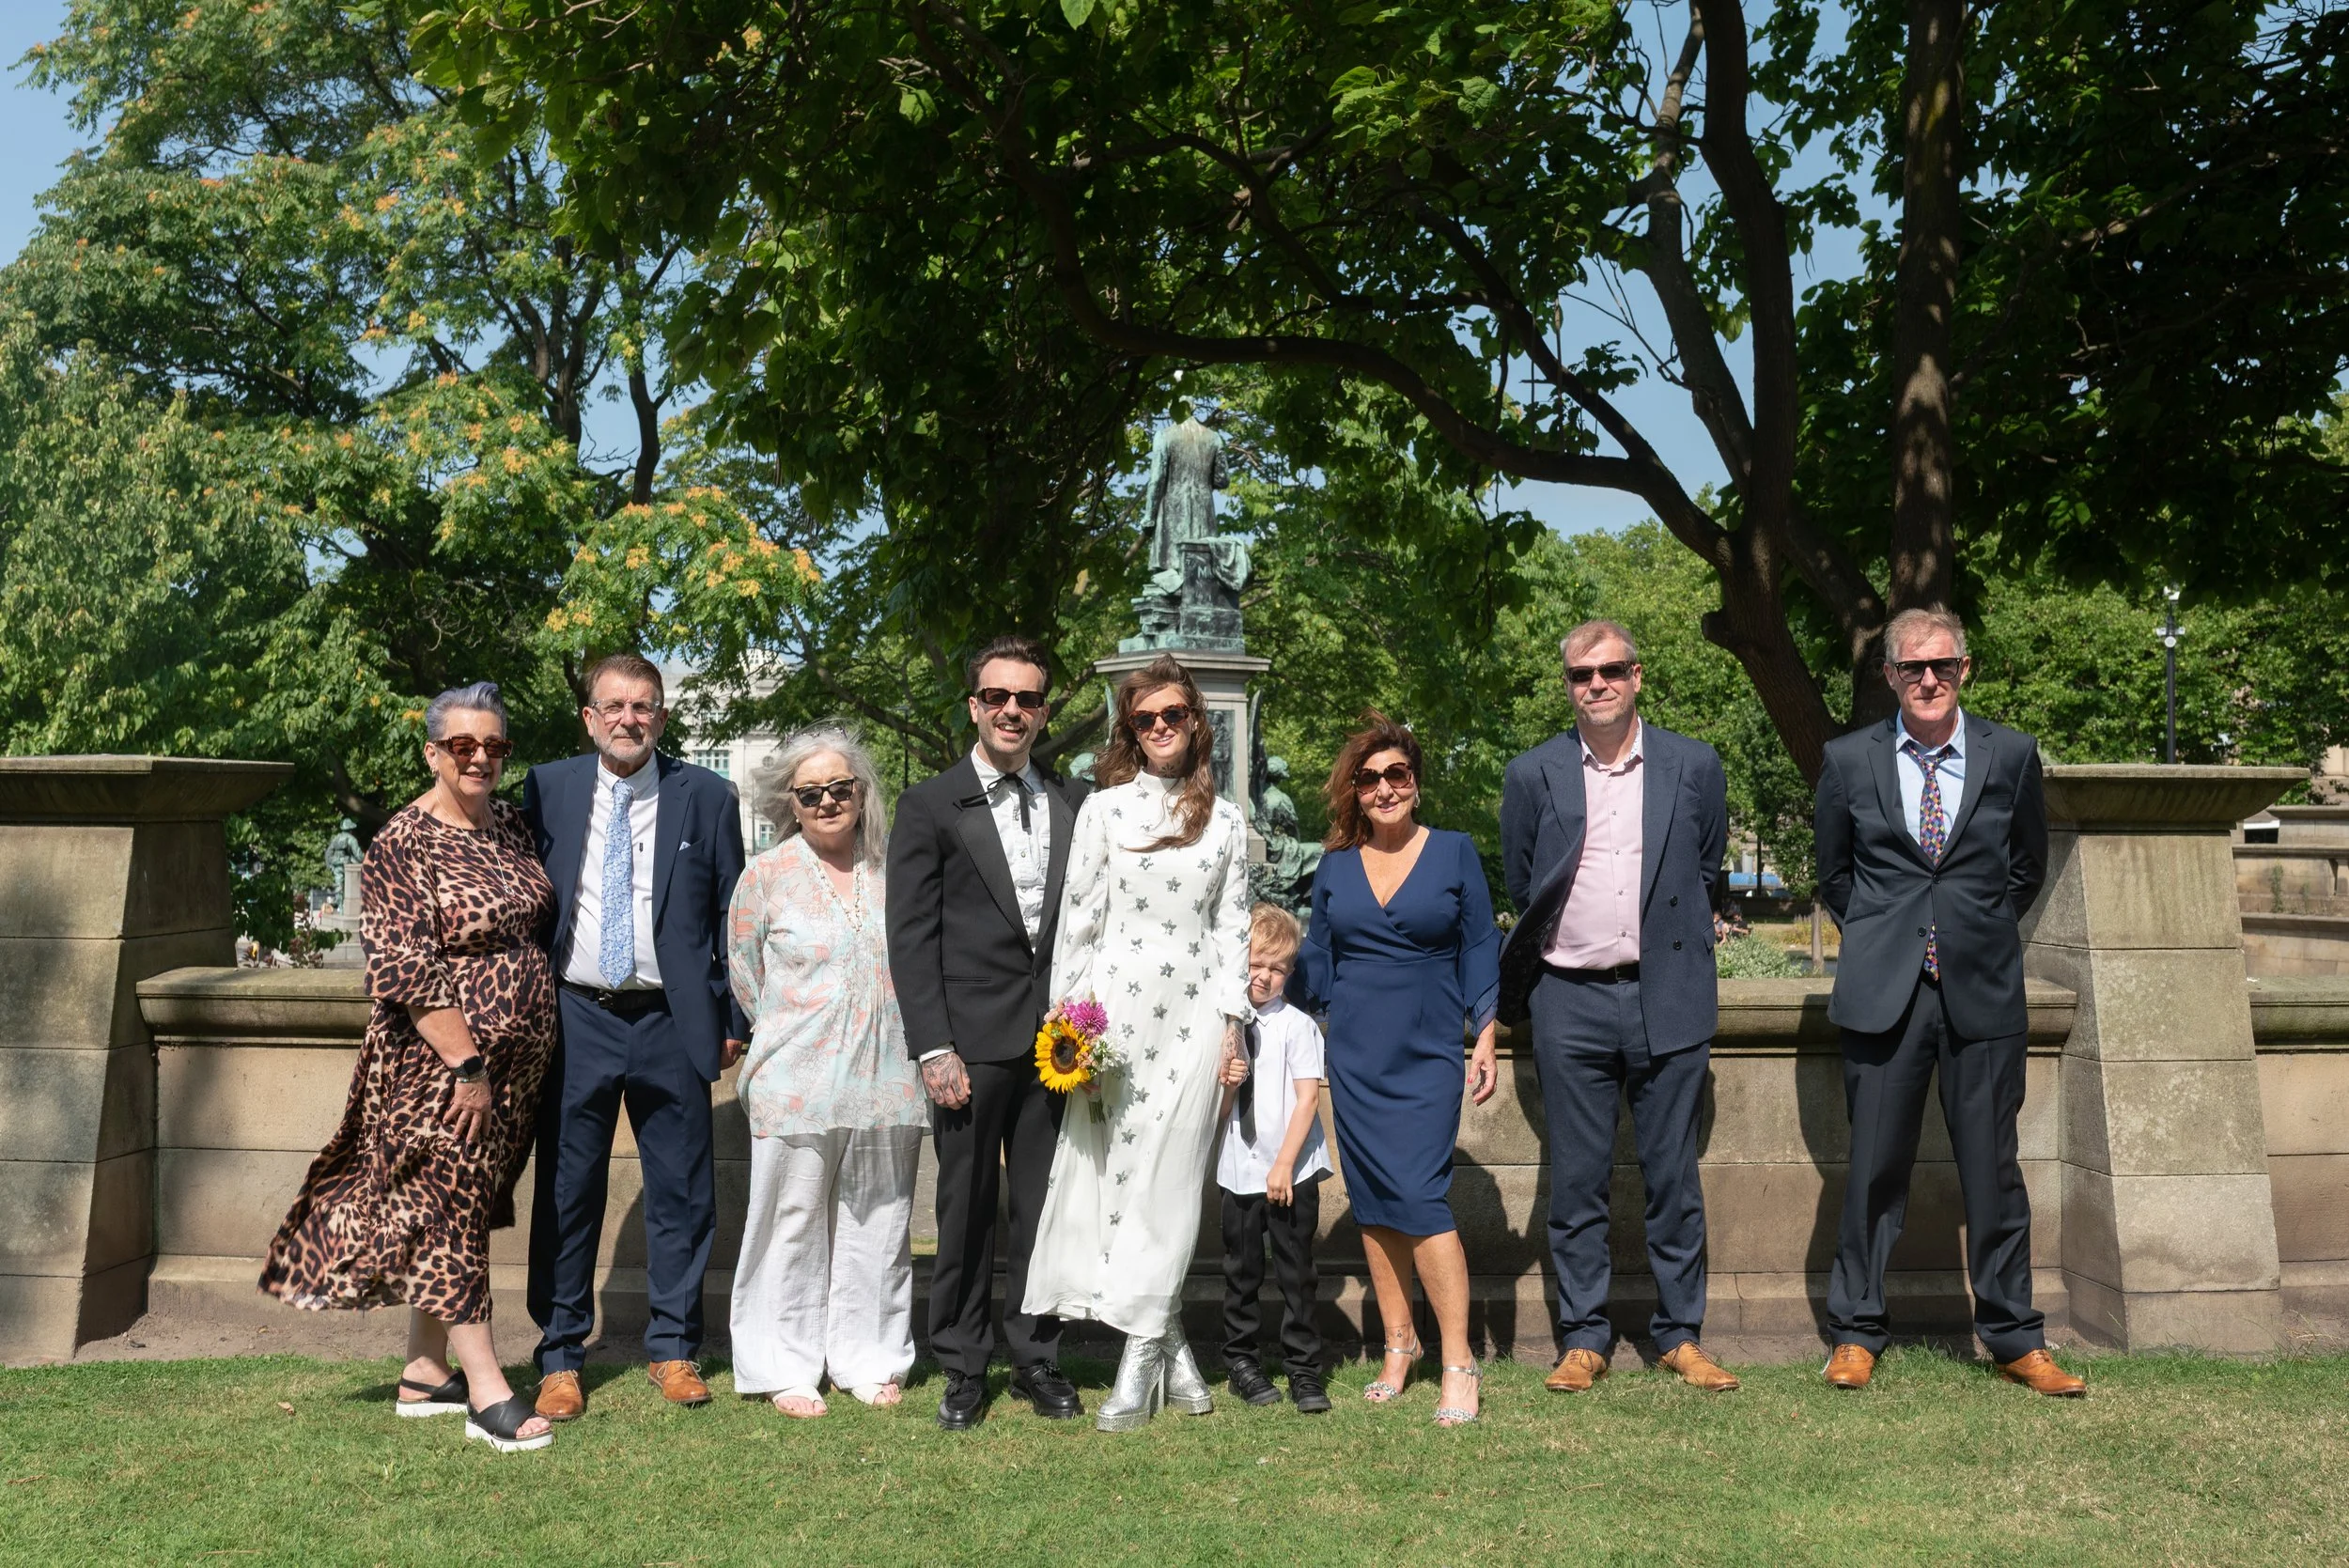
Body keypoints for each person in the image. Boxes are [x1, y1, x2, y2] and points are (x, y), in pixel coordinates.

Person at [259, 682, 559, 1453]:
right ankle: (487, 1388)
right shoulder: (403, 841)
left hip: (513, 1071)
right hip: (440, 1067)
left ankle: (425, 1373)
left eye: (496, 746)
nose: (482, 758)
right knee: (450, 1211)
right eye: (464, 745)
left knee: (455, 1207)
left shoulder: (513, 829)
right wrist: (466, 1064)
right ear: (433, 752)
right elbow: (405, 966)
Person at [1813, 607, 2083, 1396]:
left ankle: (2013, 1337)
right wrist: (1883, 938)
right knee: (1871, 1172)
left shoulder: (2013, 755)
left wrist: (1975, 930)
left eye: (1943, 665)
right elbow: (1837, 875)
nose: (1927, 679)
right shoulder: (1848, 759)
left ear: (1966, 668)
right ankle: (1856, 1331)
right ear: (1889, 675)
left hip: (1982, 992)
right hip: (1882, 997)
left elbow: (2025, 867)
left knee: (1994, 1174)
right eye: (1911, 667)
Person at [1497, 620, 1740, 1395]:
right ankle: (1584, 1336)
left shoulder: (1693, 765)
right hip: (1570, 998)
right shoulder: (1532, 775)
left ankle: (1679, 1333)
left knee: (1674, 1177)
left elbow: (1705, 868)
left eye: (1609, 671)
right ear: (1567, 685)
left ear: (1637, 675)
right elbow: (1521, 882)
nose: (1594, 684)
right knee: (1576, 1179)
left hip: (1668, 991)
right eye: (1579, 675)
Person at [1022, 655, 1253, 1431]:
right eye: (1146, 718)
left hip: (1192, 1024)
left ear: (1197, 724)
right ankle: (1173, 1348)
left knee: (1173, 1182)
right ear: (1132, 728)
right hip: (1113, 1018)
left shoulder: (1227, 821)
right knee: (1120, 1182)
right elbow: (1080, 923)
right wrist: (1068, 1031)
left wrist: (1234, 1029)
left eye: (1175, 716)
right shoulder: (1104, 810)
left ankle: (1138, 1360)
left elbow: (1232, 935)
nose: (1161, 729)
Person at [521, 653, 749, 1421]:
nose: (629, 718)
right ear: (589, 717)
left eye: (644, 705)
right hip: (574, 1014)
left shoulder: (709, 796)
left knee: (682, 1192)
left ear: (662, 715)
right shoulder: (546, 789)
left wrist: (732, 1021)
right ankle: (559, 1355)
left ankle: (675, 1347)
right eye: (613, 705)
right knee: (565, 1188)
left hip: (670, 1020)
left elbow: (732, 917)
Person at [885, 634, 1089, 1430]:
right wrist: (933, 1046)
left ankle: (1038, 1356)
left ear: (1043, 710)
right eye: (998, 696)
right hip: (967, 1048)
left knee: (1042, 1210)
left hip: (1056, 1048)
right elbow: (910, 935)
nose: (1013, 710)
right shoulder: (930, 805)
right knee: (966, 1210)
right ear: (974, 704)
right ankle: (963, 1365)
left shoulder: (1072, 800)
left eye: (1028, 698)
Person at [1289, 710, 1501, 1427]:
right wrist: (1257, 984)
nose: (1384, 788)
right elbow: (1317, 960)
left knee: (1421, 1194)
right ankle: (1398, 1346)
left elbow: (1479, 946)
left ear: (1415, 782)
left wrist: (1486, 1030)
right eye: (1370, 777)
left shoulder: (1454, 851)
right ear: (1356, 790)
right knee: (1376, 1200)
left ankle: (1459, 1359)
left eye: (1396, 774)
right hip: (1355, 1050)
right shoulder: (1336, 866)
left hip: (1428, 1047)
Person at [725, 726, 927, 1417]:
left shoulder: (896, 867)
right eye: (811, 792)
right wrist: (796, 1033)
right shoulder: (766, 875)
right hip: (795, 1077)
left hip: (888, 1073)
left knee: (880, 1219)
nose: (828, 800)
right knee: (790, 1220)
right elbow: (746, 975)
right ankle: (784, 1363)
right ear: (793, 801)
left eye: (841, 787)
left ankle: (868, 1357)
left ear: (862, 792)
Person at [1215, 903, 1333, 1414]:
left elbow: (1307, 1098)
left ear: (1289, 973)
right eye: (1255, 964)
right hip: (1239, 1169)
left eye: (1276, 968)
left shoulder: (1298, 1026)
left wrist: (1284, 1164)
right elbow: (1217, 1111)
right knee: (1240, 1271)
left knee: (1295, 1271)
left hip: (1291, 1169)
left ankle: (1304, 1370)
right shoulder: (1224, 1025)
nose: (1263, 976)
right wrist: (1225, 1088)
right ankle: (1241, 1362)